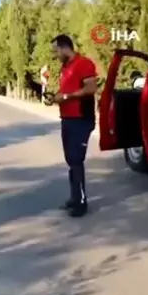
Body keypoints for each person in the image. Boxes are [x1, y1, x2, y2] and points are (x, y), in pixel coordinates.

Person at [50, 34, 99, 217]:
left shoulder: (83, 63)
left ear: (64, 48)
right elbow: (66, 92)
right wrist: (56, 97)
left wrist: (66, 97)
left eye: (56, 51)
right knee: (71, 160)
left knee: (76, 161)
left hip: (81, 120)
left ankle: (81, 203)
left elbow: (91, 88)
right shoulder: (65, 67)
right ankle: (74, 197)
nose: (55, 54)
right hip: (67, 119)